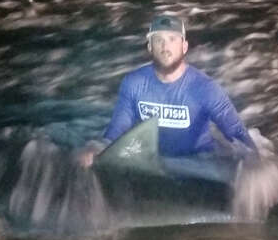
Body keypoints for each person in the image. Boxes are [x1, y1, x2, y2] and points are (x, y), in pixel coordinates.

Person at [78, 14, 256, 166]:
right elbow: (117, 129)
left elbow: (238, 134)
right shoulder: (133, 83)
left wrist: (255, 165)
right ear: (150, 47)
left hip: (199, 164)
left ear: (184, 47)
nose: (165, 47)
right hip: (150, 163)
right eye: (158, 40)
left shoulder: (205, 88)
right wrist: (96, 148)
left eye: (172, 39)